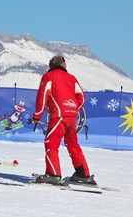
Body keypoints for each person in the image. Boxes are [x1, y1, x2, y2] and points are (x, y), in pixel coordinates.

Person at [32, 55, 96, 185]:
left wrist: (37, 115)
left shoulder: (48, 76)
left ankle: (53, 174)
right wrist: (73, 108)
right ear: (64, 65)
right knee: (73, 145)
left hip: (59, 116)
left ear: (51, 66)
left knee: (51, 142)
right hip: (72, 117)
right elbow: (81, 97)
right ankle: (83, 174)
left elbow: (43, 95)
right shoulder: (72, 78)